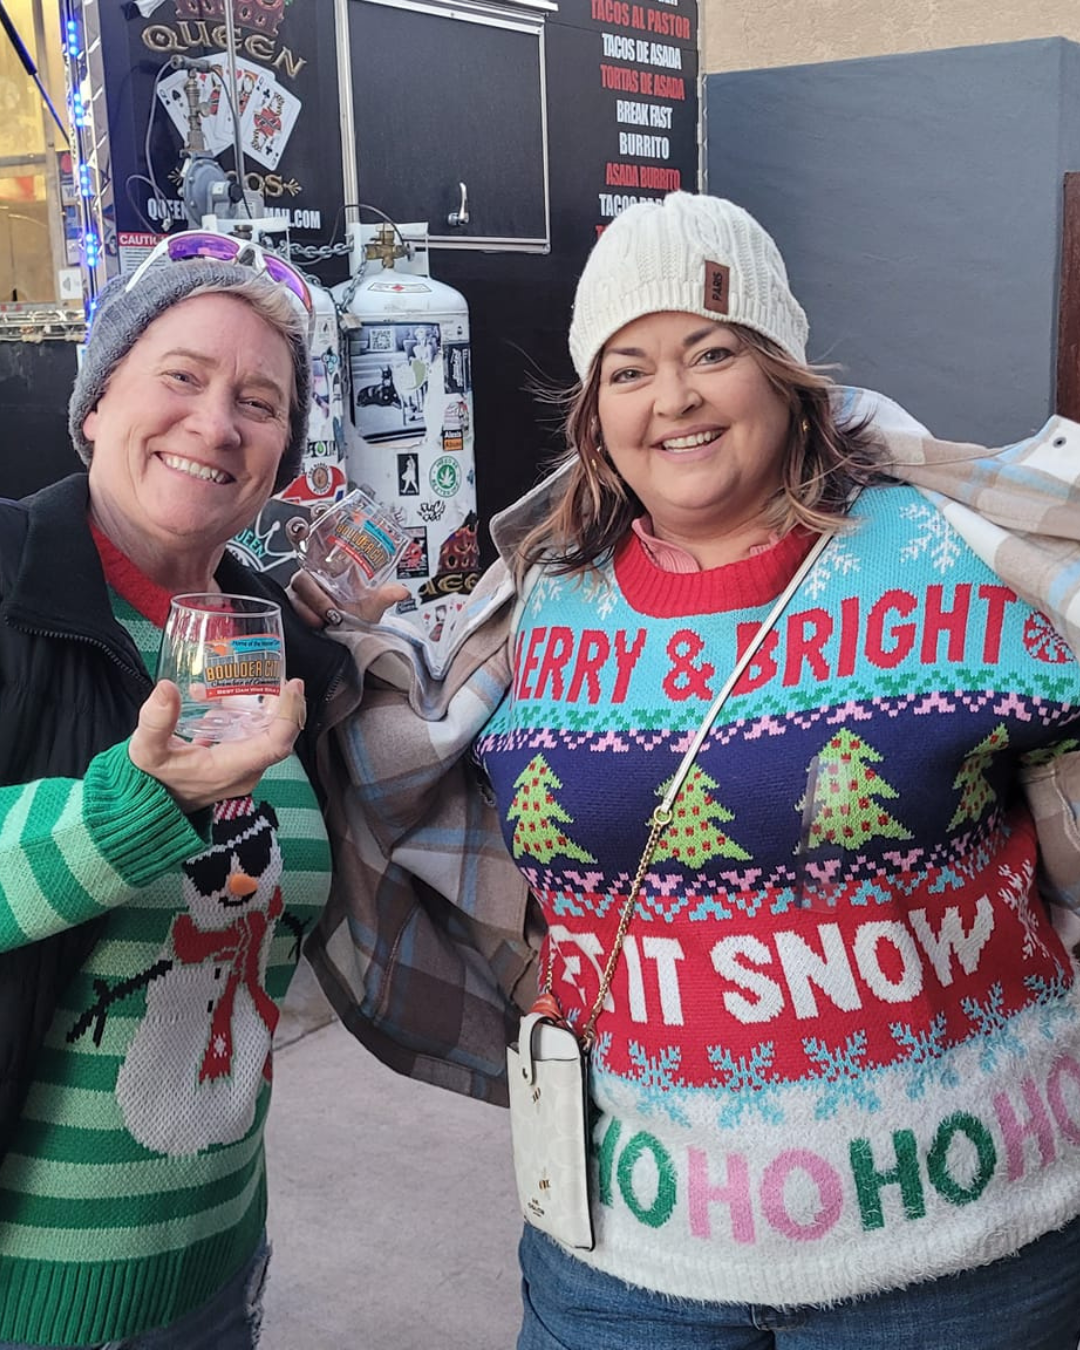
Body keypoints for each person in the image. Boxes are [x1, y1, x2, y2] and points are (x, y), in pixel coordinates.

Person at [305, 192, 1080, 1349]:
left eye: (710, 351)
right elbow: (428, 783)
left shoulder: (948, 557)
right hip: (626, 1257)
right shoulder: (541, 598)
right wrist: (528, 972)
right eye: (627, 368)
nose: (672, 399)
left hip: (956, 1258)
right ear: (593, 411)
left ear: (781, 371)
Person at [0, 239, 400, 1349]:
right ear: (93, 403)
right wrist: (134, 803)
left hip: (215, 1278)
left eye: (259, 400)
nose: (217, 423)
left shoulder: (278, 653)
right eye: (180, 375)